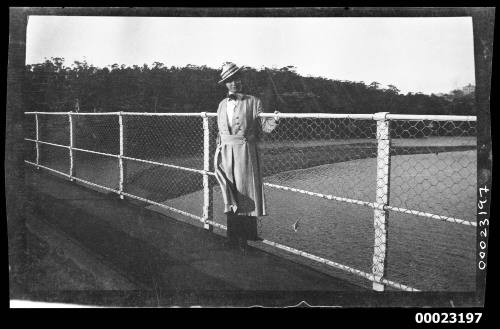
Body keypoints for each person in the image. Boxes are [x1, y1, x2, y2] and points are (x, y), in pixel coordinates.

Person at [214, 62, 280, 252]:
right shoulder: (221, 105)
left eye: (237, 79)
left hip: (244, 151)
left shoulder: (254, 101)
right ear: (226, 84)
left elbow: (264, 126)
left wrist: (273, 119)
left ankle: (244, 239)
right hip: (225, 151)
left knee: (245, 193)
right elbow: (220, 131)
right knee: (230, 193)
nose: (234, 83)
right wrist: (218, 153)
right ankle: (232, 238)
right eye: (230, 80)